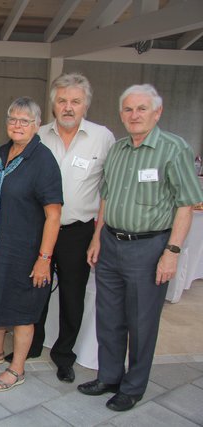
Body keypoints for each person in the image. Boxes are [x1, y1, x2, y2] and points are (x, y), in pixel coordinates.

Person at [78, 84, 203, 411]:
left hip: (149, 248)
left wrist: (171, 252)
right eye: (128, 110)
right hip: (110, 243)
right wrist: (96, 237)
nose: (134, 115)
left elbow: (186, 205)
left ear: (157, 112)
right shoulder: (117, 150)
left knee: (142, 322)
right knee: (108, 317)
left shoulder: (174, 149)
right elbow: (106, 197)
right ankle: (109, 376)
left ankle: (133, 387)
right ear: (122, 114)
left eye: (142, 109)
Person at [20, 73, 115, 383]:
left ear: (86, 104)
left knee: (73, 297)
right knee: (36, 291)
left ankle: (64, 355)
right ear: (53, 105)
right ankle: (31, 346)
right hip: (39, 230)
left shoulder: (103, 137)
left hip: (78, 231)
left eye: (75, 101)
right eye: (62, 101)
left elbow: (108, 192)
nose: (68, 107)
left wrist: (98, 236)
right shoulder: (38, 134)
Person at [0, 97, 62, 392]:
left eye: (25, 121)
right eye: (13, 119)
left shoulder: (43, 160)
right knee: (0, 299)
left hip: (27, 251)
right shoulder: (3, 151)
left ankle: (17, 368)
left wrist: (44, 258)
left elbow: (54, 213)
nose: (18, 125)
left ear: (37, 125)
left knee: (22, 311)